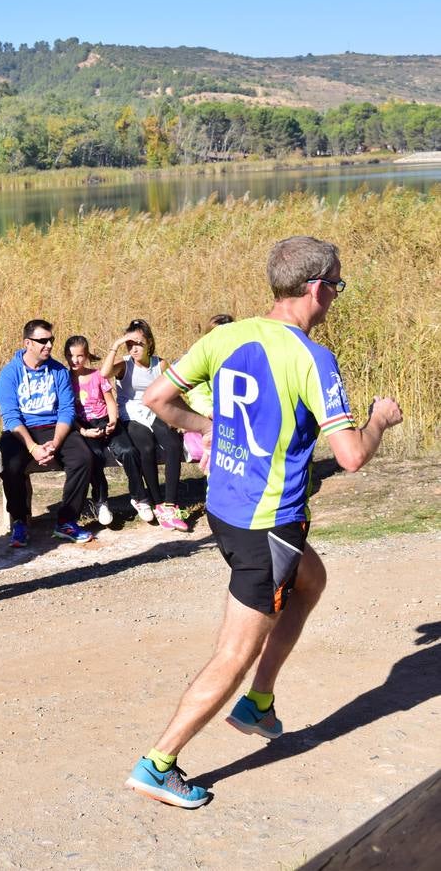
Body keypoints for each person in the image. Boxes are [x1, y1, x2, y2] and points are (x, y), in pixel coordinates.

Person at [124, 236, 403, 808]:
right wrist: (378, 421)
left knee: (312, 580)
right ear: (317, 288)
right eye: (337, 287)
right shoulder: (311, 358)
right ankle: (159, 762)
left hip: (227, 510)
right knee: (233, 652)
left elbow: (157, 397)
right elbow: (350, 455)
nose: (335, 297)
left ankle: (260, 703)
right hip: (268, 524)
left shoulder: (226, 335)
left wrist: (216, 427)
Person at [0, 320, 96, 547]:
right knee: (11, 466)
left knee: (83, 458)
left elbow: (67, 410)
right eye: (43, 341)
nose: (49, 345)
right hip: (21, 431)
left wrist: (56, 442)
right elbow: (11, 416)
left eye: (51, 340)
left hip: (54, 428)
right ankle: (20, 520)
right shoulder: (9, 374)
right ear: (28, 343)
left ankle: (67, 520)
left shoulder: (59, 371)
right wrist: (32, 447)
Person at [99, 319, 191, 531]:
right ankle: (157, 503)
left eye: (138, 343)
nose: (134, 349)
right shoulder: (124, 364)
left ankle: (171, 504)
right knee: (146, 447)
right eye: (130, 345)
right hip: (131, 414)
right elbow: (104, 373)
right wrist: (117, 343)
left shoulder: (160, 364)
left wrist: (181, 418)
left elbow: (175, 392)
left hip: (156, 410)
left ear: (149, 342)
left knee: (174, 445)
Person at [64, 334, 142, 526]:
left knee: (129, 451)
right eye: (71, 356)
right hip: (84, 425)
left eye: (80, 356)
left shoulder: (97, 375)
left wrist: (113, 421)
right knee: (95, 456)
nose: (75, 360)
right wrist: (83, 431)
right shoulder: (64, 379)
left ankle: (139, 496)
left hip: (106, 420)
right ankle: (101, 502)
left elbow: (109, 401)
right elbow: (66, 412)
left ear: (87, 355)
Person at [180, 314, 235, 469]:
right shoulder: (200, 359)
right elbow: (196, 394)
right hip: (211, 418)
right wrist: (210, 411)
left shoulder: (241, 359)